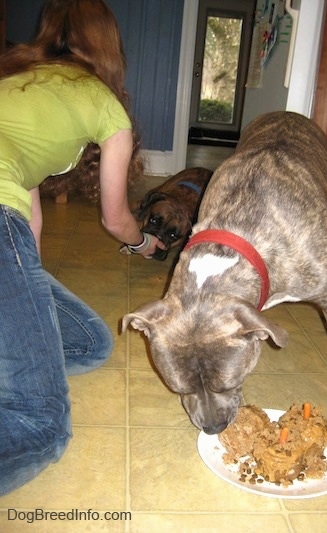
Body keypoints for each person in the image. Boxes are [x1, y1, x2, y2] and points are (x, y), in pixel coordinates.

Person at [0, 0, 165, 495]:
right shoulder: (104, 104)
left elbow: (26, 207)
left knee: (91, 342)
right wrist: (143, 245)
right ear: (110, 47)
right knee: (41, 427)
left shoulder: (13, 78)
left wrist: (21, 280)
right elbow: (116, 219)